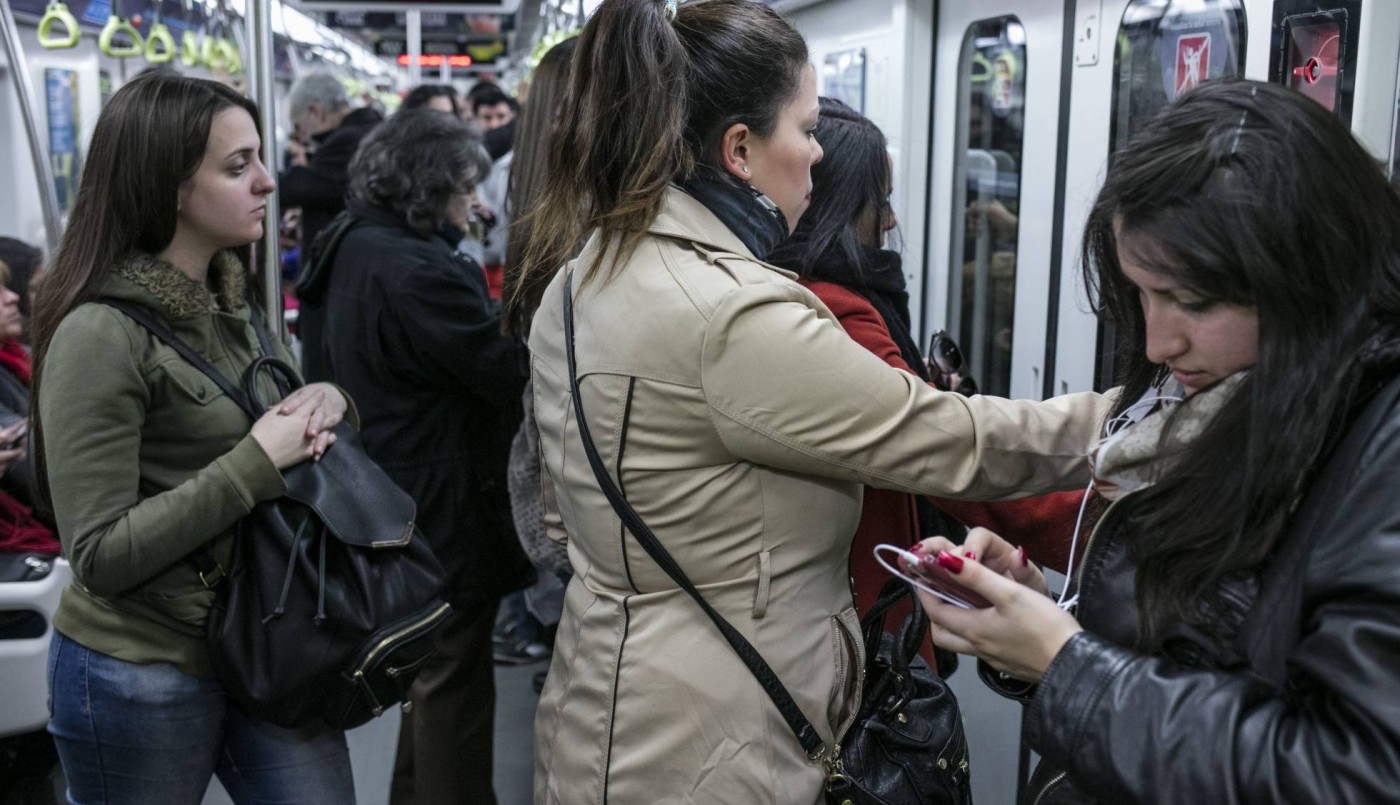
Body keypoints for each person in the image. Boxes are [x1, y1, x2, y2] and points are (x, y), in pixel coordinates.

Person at [509, 1, 1112, 802]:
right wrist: (1124, 415)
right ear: (740, 151)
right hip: (713, 739)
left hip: (605, 697)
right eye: (804, 126)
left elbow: (557, 512)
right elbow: (945, 440)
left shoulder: (584, 277)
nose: (818, 151)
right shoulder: (732, 313)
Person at [914, 79, 1400, 804]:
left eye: (1194, 302)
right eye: (1140, 293)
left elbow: (1352, 773)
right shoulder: (1230, 406)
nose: (1157, 340)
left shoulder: (1375, 448)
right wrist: (1040, 617)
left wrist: (1067, 662)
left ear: (1311, 278)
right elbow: (1200, 663)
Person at [31, 71, 353, 803]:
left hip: (265, 641)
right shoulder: (100, 333)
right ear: (171, 186)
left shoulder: (231, 303)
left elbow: (279, 417)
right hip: (138, 667)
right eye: (238, 167)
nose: (269, 182)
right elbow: (101, 552)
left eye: (260, 158)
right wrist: (253, 464)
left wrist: (329, 399)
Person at [303, 108, 532, 805]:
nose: (476, 201)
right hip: (440, 505)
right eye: (466, 185)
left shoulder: (348, 242)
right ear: (430, 186)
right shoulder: (419, 272)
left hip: (383, 492)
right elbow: (499, 369)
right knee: (453, 686)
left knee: (427, 679)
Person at [279, 72, 383, 252]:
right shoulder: (370, 129)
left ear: (315, 112)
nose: (301, 136)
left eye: (298, 126)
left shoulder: (348, 140)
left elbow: (303, 187)